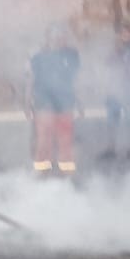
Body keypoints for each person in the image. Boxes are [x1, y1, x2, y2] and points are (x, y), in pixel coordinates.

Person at [27, 26, 82, 176]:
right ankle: (42, 172)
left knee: (66, 139)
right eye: (55, 36)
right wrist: (27, 103)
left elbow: (75, 80)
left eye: (61, 36)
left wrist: (79, 102)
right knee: (44, 139)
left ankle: (67, 174)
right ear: (48, 38)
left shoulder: (72, 55)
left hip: (66, 101)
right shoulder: (38, 56)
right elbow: (31, 79)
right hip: (44, 101)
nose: (58, 39)